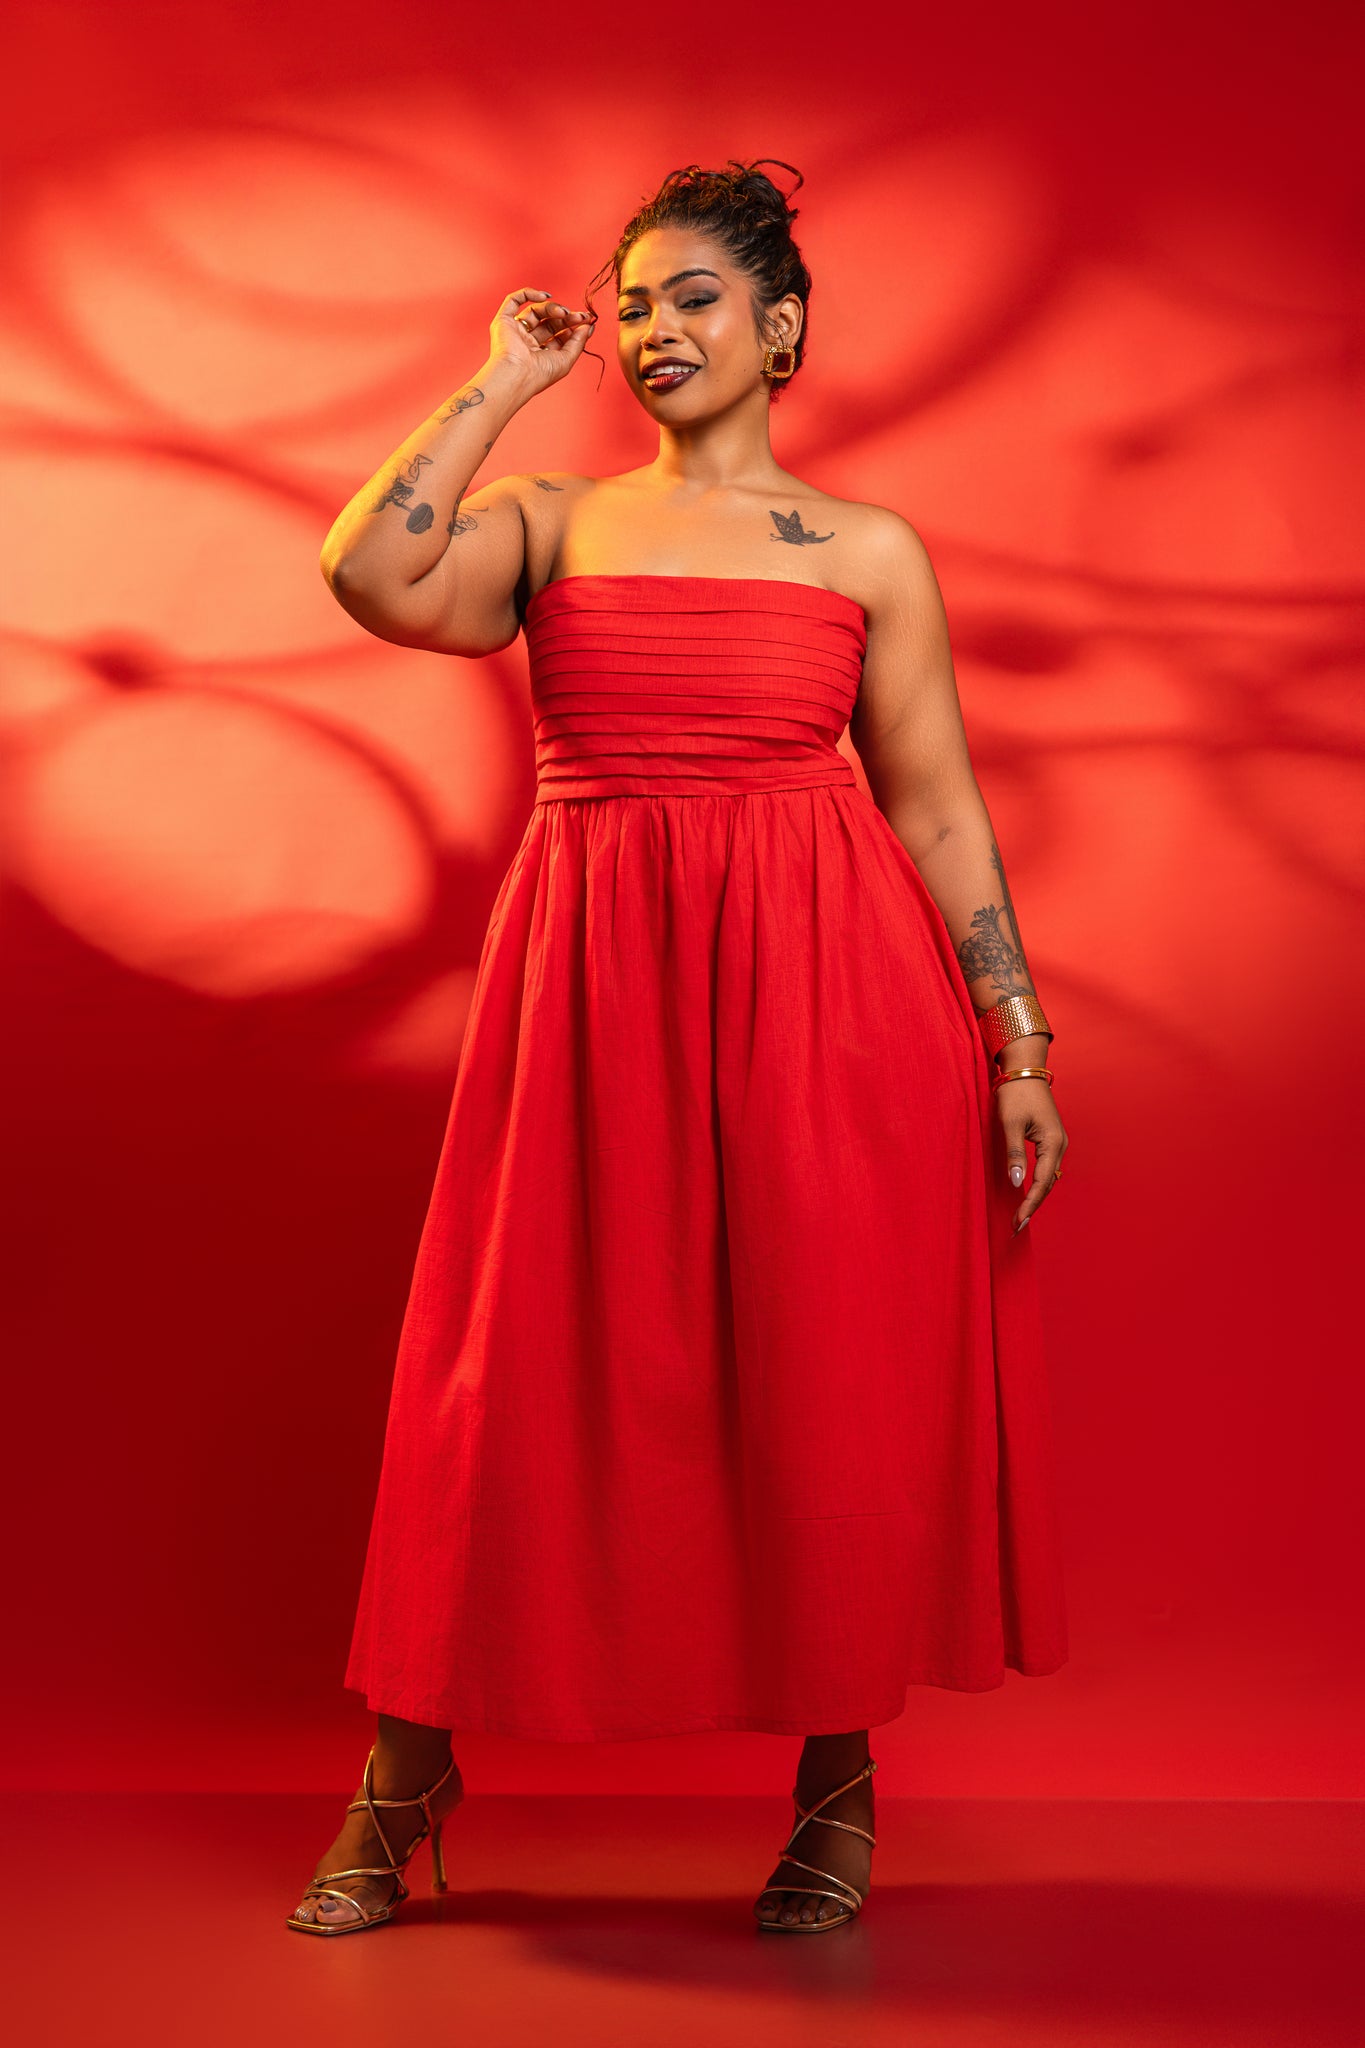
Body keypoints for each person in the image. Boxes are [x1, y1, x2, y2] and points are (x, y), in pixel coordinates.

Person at [288, 158, 1069, 1940]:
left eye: (692, 298)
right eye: (630, 303)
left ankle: (835, 1790)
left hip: (829, 997)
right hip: (588, 986)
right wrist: (499, 380)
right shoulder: (551, 518)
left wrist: (1015, 1039)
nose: (651, 329)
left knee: (822, 1375)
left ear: (779, 329)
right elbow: (373, 574)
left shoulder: (863, 550)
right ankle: (403, 1782)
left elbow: (936, 806)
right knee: (511, 1379)